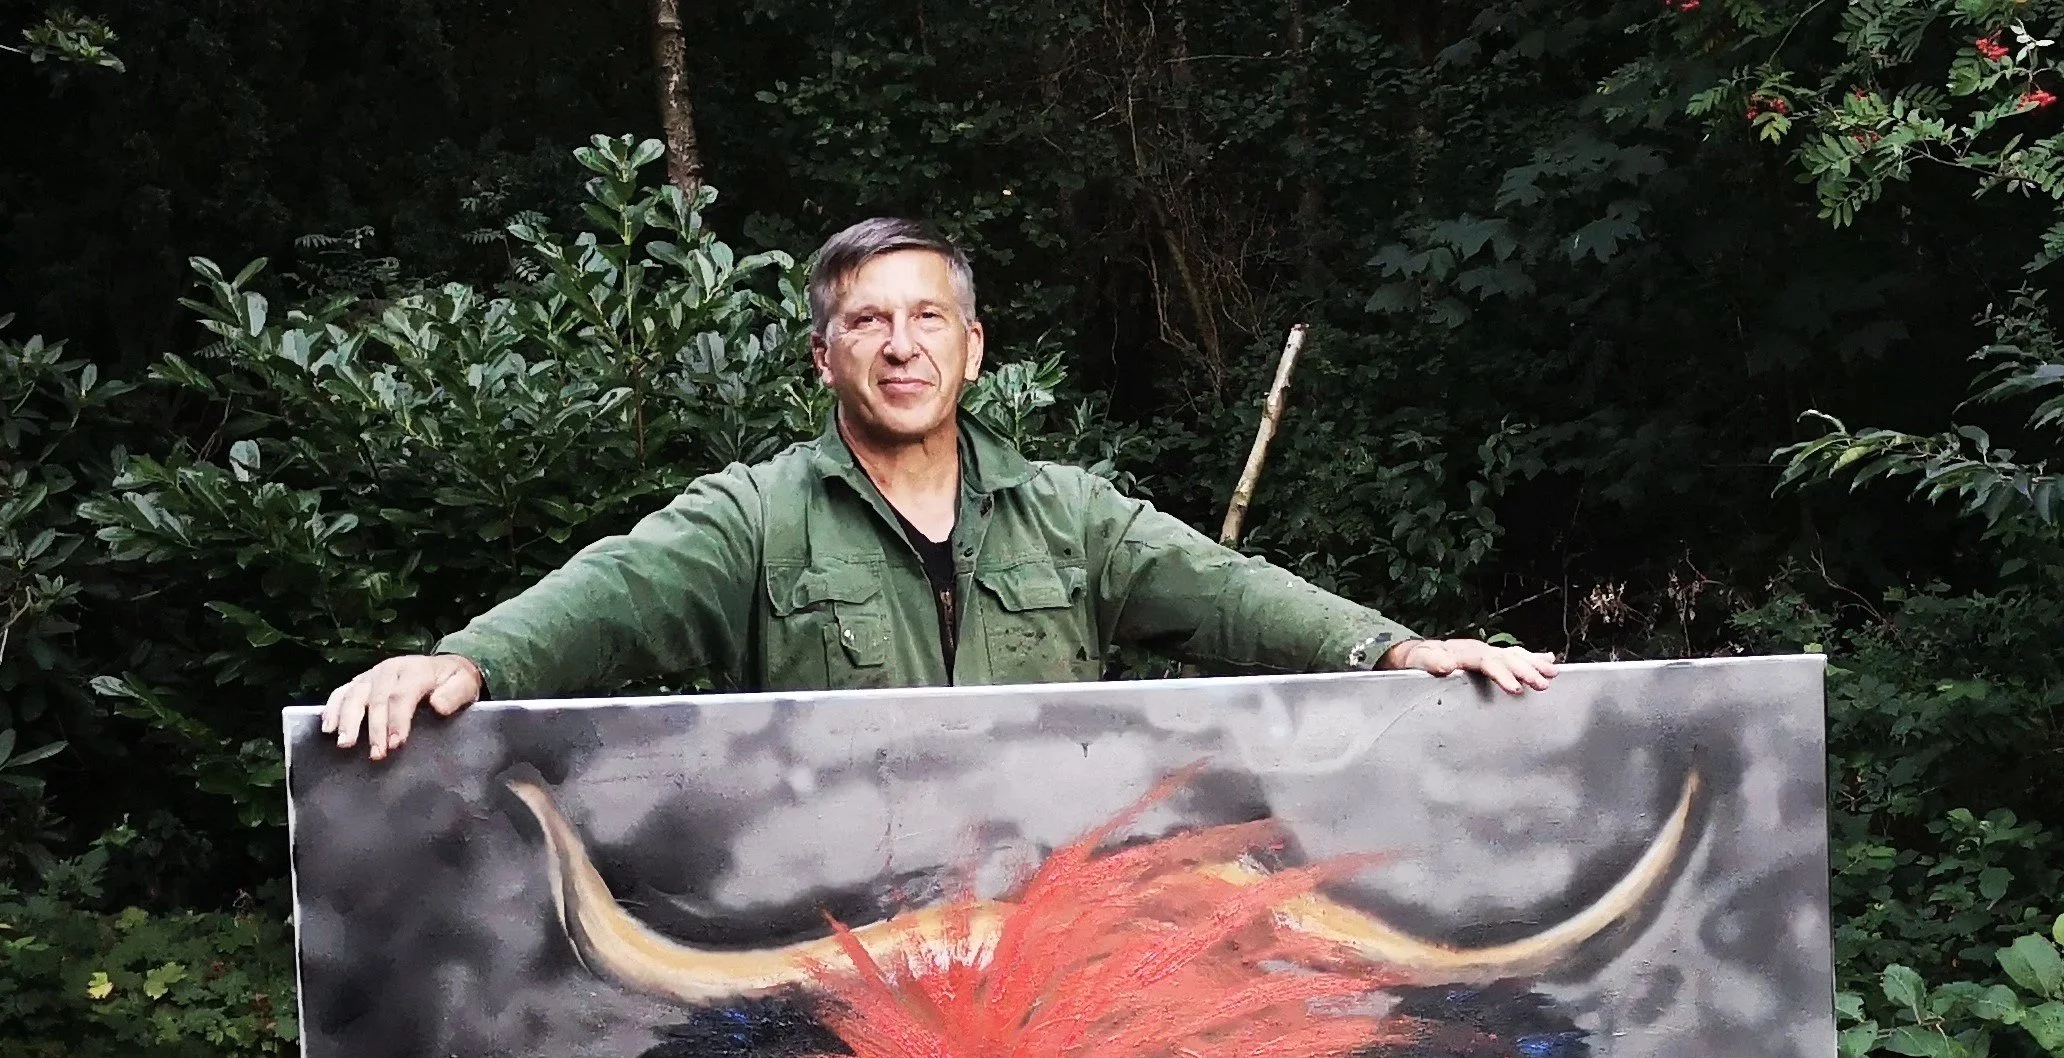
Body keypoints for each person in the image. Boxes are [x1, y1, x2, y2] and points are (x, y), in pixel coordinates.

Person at [322, 217, 1558, 761]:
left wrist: (1394, 651)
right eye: (867, 321)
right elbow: (614, 588)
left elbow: (1231, 593)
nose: (901, 344)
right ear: (825, 356)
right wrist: (466, 662)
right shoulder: (756, 516)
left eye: (928, 318)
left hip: (1046, 927)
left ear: (975, 350)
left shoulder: (1071, 514)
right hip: (840, 938)